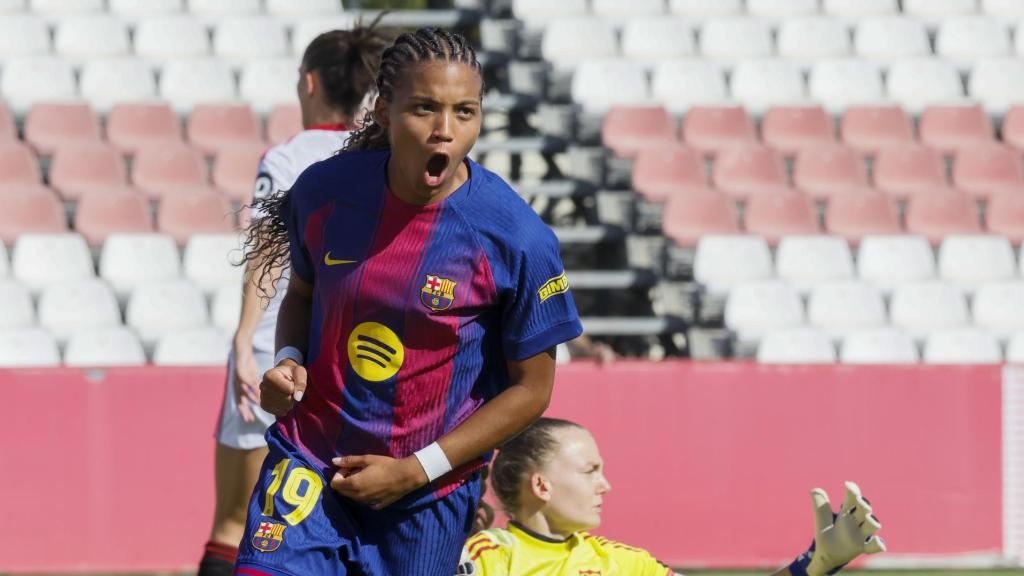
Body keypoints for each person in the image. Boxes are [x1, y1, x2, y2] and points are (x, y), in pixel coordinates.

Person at [235, 27, 584, 575]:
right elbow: (301, 294)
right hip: (310, 460)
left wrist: (415, 471)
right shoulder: (325, 192)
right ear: (384, 112)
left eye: (464, 112)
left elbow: (532, 390)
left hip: (427, 497)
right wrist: (289, 361)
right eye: (424, 108)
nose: (445, 130)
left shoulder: (518, 238)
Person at [196, 24, 390, 576]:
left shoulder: (289, 157)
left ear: (309, 83)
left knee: (236, 523)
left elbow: (265, 250)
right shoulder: (383, 159)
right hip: (355, 361)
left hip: (276, 355)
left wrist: (243, 339)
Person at [461, 418, 886, 576]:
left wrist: (814, 565)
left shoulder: (624, 563)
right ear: (541, 486)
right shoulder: (489, 557)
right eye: (590, 471)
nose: (605, 485)